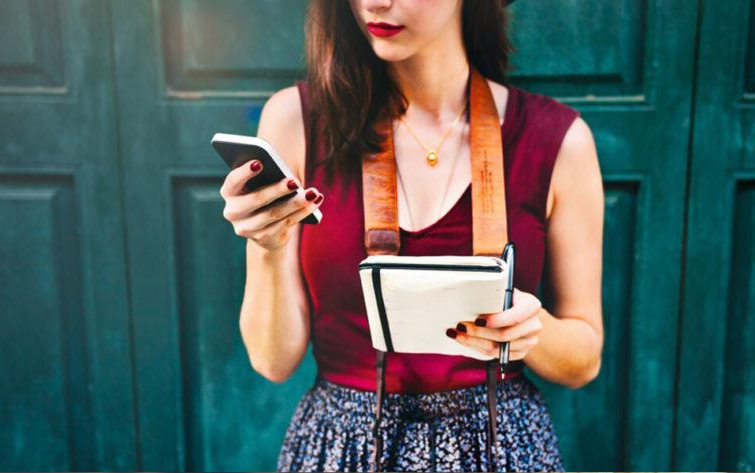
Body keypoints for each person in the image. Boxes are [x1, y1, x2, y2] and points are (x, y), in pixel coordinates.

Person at [219, 0, 604, 471]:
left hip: (500, 450)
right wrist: (267, 244)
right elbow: (272, 361)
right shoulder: (295, 120)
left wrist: (528, 331)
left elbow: (585, 359)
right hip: (341, 450)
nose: (374, 3)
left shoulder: (558, 139)